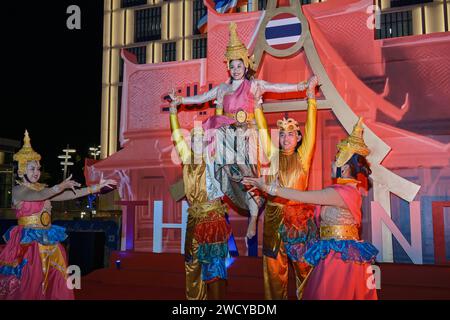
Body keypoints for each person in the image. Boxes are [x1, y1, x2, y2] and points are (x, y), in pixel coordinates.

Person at [169, 22, 313, 240]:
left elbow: (277, 86)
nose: (236, 69)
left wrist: (302, 86)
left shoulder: (254, 86)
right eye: (232, 66)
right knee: (219, 167)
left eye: (239, 66)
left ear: (246, 65)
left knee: (249, 177)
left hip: (246, 135)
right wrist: (180, 100)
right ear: (228, 67)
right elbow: (200, 99)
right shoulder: (223, 89)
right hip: (227, 135)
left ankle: (253, 217)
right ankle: (211, 195)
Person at [243, 118, 379, 300]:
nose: (331, 164)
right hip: (331, 254)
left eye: (335, 160)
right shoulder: (345, 190)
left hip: (341, 260)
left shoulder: (342, 193)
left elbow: (303, 196)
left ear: (345, 169)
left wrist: (270, 188)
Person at [0, 130, 117, 300]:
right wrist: (58, 187)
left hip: (47, 237)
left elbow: (68, 194)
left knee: (56, 277)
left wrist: (96, 187)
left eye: (38, 168)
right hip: (29, 242)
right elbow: (39, 196)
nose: (36, 172)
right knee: (30, 281)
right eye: (32, 168)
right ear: (22, 171)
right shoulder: (19, 191)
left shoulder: (42, 188)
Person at [252, 76, 319, 299]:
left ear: (299, 138)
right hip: (273, 218)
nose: (286, 138)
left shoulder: (302, 157)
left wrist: (311, 98)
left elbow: (311, 127)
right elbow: (262, 131)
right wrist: (257, 105)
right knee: (273, 271)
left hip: (297, 220)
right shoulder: (274, 156)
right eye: (282, 134)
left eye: (291, 134)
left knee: (305, 270)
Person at [169, 103, 231, 300]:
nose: (197, 141)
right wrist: (172, 112)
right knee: (192, 265)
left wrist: (219, 107)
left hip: (213, 220)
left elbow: (219, 129)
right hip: (194, 221)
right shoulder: (187, 160)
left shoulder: (213, 159)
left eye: (201, 139)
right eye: (193, 139)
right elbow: (177, 136)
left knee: (214, 270)